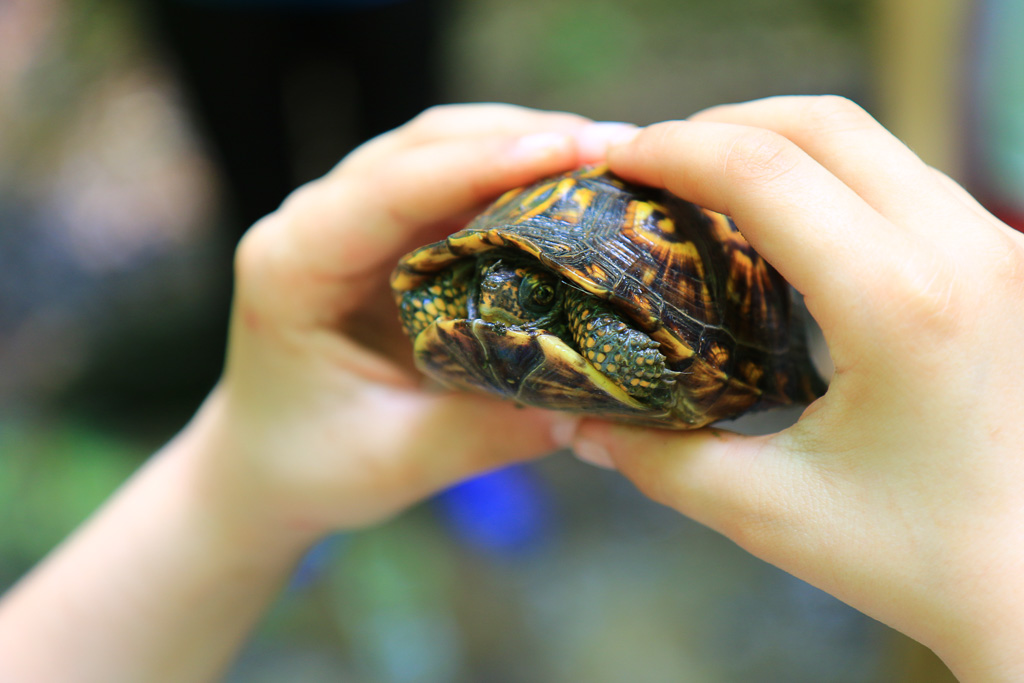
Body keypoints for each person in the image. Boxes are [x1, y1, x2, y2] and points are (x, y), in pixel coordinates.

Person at [0, 97, 1021, 682]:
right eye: (481, 278)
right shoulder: (473, 289)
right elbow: (446, 299)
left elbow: (619, 329)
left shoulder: (578, 311)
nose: (487, 293)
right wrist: (232, 480)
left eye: (507, 282)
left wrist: (227, 490)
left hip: (656, 312)